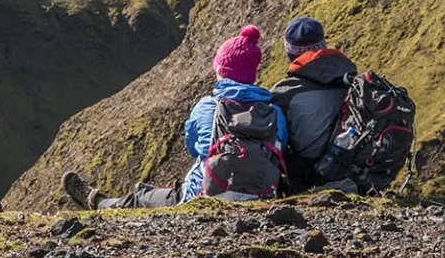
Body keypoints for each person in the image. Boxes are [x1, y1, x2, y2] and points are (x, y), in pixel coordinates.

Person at [61, 25, 285, 209]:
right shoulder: (274, 112)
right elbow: (280, 147)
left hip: (201, 195)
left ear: (222, 71)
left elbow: (194, 146)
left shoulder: (208, 107)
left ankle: (98, 202)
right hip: (261, 198)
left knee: (140, 198)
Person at [269, 15, 357, 192]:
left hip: (311, 175)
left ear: (290, 52)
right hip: (352, 166)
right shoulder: (351, 79)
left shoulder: (284, 92)